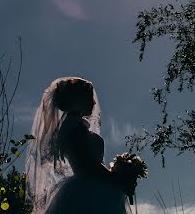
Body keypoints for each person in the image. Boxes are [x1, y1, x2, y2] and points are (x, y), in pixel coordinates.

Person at [25, 77, 133, 214]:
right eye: (88, 97)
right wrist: (116, 179)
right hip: (88, 193)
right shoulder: (74, 126)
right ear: (76, 99)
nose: (93, 102)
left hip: (90, 188)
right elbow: (85, 163)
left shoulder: (75, 125)